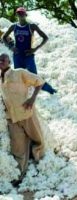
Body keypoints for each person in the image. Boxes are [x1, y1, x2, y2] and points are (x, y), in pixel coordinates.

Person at [0, 53, 45, 186]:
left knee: (37, 139)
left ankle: (41, 164)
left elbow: (40, 82)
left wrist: (32, 99)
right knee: (17, 148)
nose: (1, 61)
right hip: (12, 118)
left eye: (3, 59)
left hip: (26, 113)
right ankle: (19, 175)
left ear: (9, 61)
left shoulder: (19, 73)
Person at [2, 7, 57, 94]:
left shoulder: (31, 26)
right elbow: (4, 37)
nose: (20, 15)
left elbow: (45, 38)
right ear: (17, 15)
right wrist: (11, 47)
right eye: (19, 13)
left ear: (25, 14)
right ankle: (22, 94)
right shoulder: (14, 27)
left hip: (28, 56)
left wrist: (35, 49)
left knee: (35, 77)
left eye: (22, 13)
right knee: (19, 77)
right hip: (17, 56)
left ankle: (51, 90)